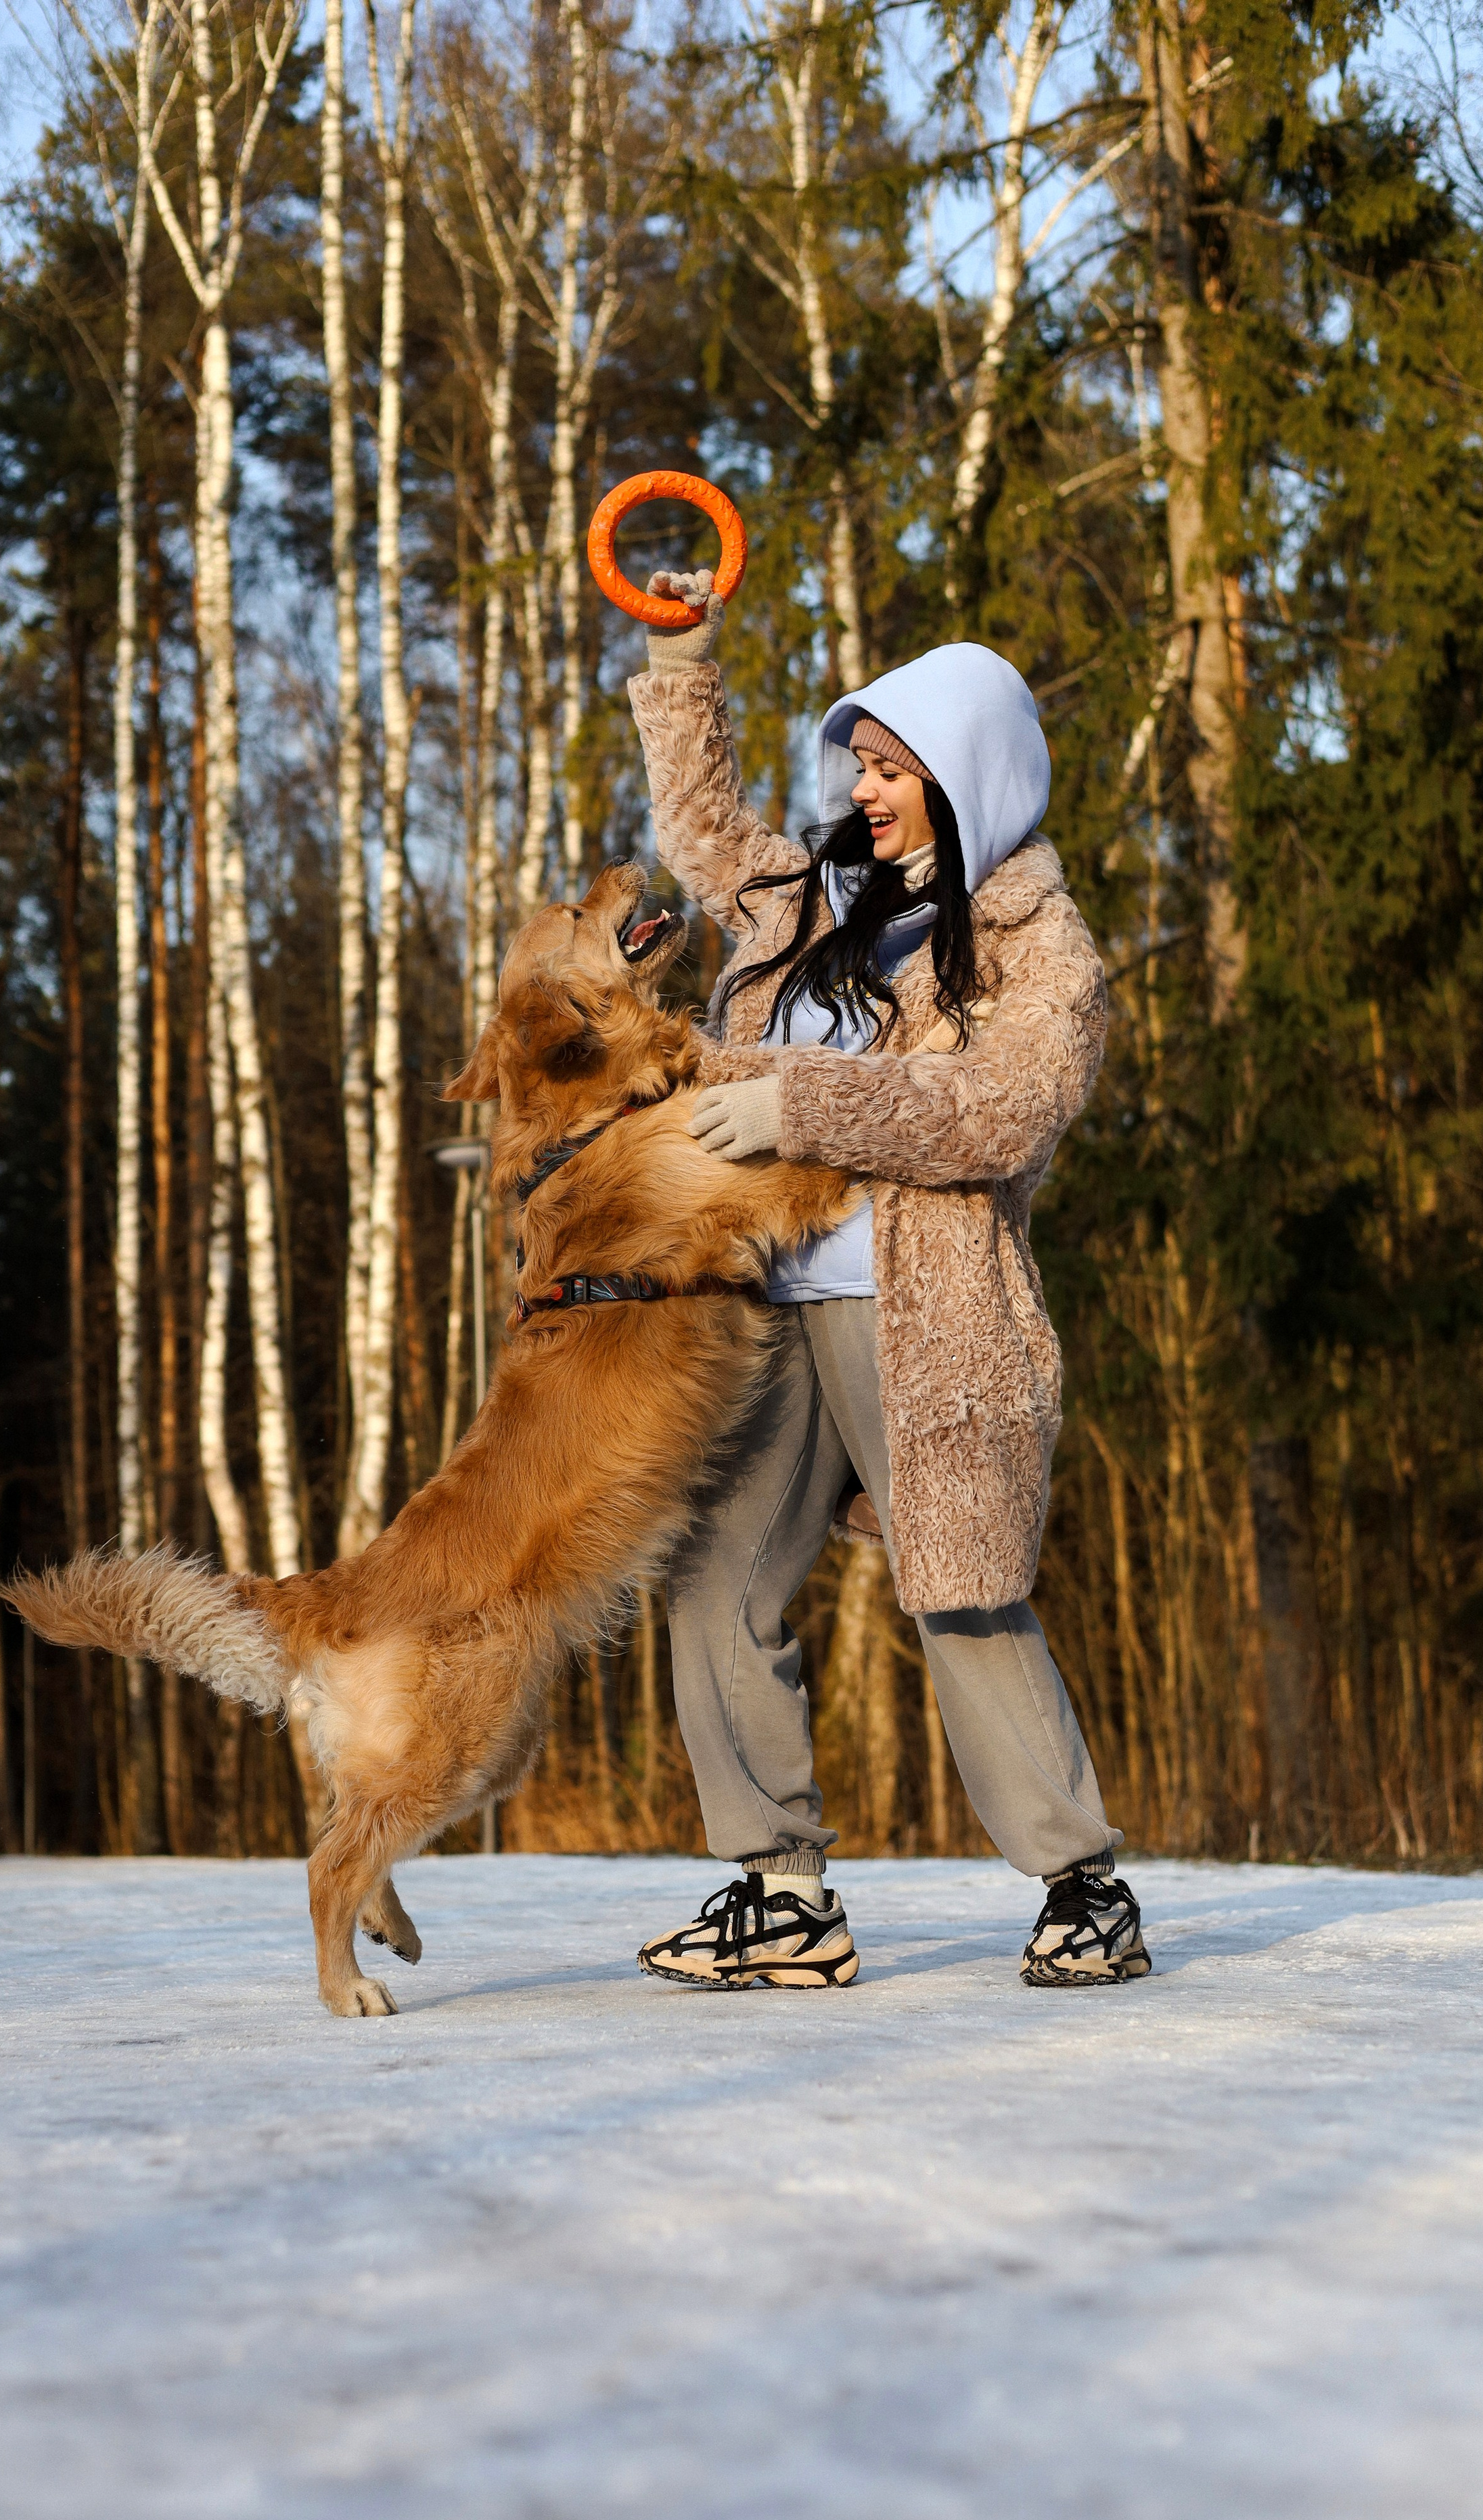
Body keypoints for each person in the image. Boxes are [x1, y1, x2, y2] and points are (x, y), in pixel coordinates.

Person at [628, 566, 1149, 1992]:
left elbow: (1000, 1115)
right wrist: (682, 660)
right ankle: (780, 1892)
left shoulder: (1040, 946)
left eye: (887, 768)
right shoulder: (807, 893)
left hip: (924, 1315)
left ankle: (1077, 1885)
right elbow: (693, 830)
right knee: (711, 1578)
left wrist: (805, 1104)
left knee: (960, 1593)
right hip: (762, 1302)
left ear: (962, 774)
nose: (861, 789)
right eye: (855, 763)